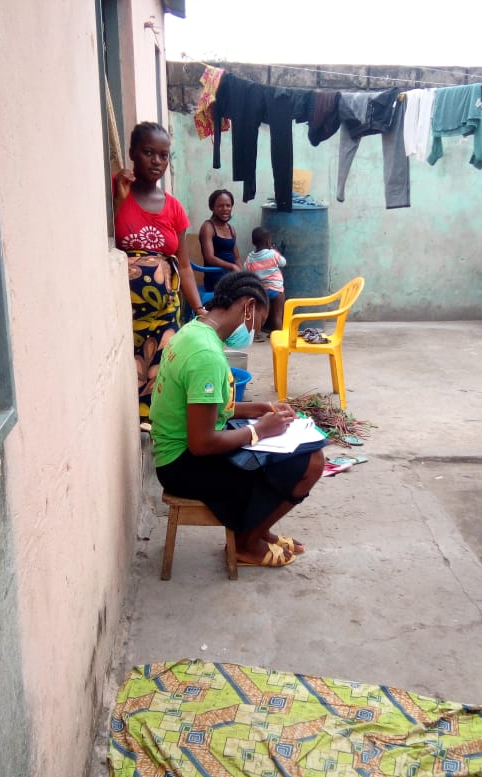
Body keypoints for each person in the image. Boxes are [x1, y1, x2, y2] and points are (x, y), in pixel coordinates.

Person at [150, 271, 325, 568]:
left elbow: (203, 407)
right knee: (310, 463)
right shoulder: (206, 355)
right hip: (182, 465)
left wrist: (259, 408)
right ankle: (247, 543)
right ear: (247, 305)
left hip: (174, 453)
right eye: (256, 323)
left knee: (291, 455)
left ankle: (259, 530)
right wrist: (258, 431)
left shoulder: (195, 330)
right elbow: (202, 444)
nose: (252, 333)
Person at [114, 122, 205, 421]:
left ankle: (151, 432)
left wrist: (199, 309)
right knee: (127, 371)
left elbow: (185, 265)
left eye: (164, 155)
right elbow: (102, 238)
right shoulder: (116, 189)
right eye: (148, 152)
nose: (156, 161)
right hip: (125, 311)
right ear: (131, 154)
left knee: (161, 368)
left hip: (165, 311)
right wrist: (118, 201)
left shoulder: (174, 208)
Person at [245, 227, 287, 338]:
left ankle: (254, 335)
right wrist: (275, 250)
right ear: (268, 242)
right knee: (277, 316)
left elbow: (246, 269)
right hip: (276, 290)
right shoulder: (273, 254)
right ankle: (278, 335)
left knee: (260, 315)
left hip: (261, 291)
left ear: (253, 242)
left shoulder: (250, 258)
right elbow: (283, 263)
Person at [198, 189, 240, 297]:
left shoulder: (231, 229)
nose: (225, 209)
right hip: (215, 275)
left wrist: (243, 274)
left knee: (255, 288)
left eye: (228, 205)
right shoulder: (208, 227)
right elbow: (209, 257)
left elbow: (237, 257)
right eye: (220, 206)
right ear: (212, 208)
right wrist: (231, 267)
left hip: (232, 274)